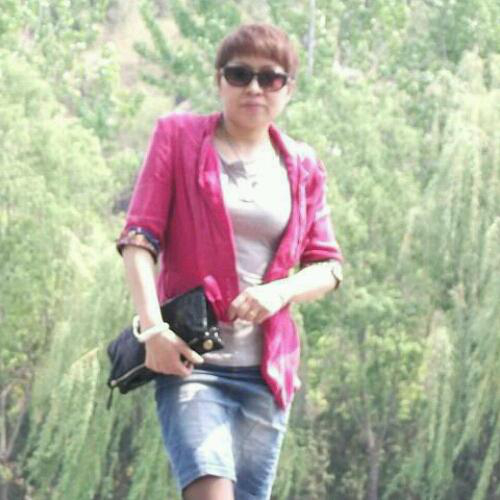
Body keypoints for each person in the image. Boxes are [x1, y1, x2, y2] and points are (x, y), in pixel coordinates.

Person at [117, 23, 343, 500]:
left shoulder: (303, 165)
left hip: (266, 373)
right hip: (192, 362)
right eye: (240, 75)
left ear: (288, 88)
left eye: (270, 77)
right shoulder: (178, 138)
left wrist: (279, 291)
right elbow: (139, 239)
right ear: (219, 80)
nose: (254, 88)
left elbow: (328, 267)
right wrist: (153, 331)